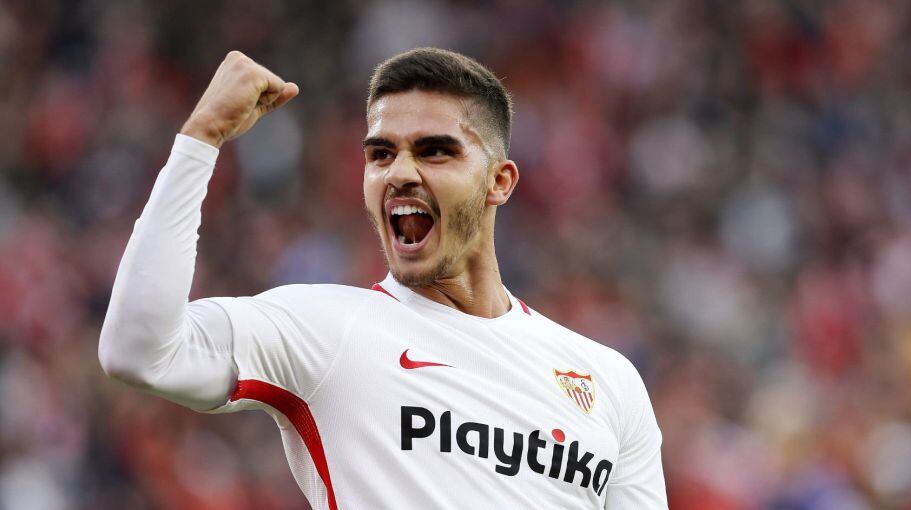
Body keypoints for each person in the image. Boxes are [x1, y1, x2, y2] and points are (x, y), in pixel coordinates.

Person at [98, 47, 667, 509]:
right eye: (380, 153)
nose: (399, 173)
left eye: (435, 151)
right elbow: (138, 350)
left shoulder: (609, 381)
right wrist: (200, 139)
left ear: (500, 181)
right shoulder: (325, 330)